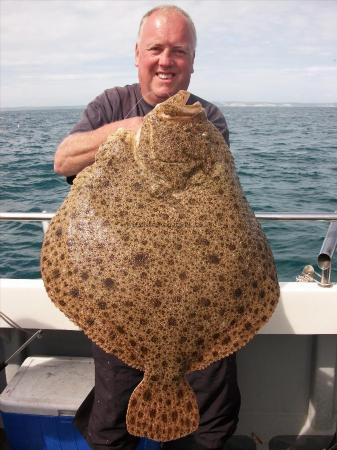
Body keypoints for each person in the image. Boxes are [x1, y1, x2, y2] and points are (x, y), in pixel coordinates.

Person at [54, 5, 240, 450]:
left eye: (179, 51)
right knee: (112, 415)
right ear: (138, 54)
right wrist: (129, 129)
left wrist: (159, 131)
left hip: (197, 293)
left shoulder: (206, 119)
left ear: (192, 61)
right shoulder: (110, 105)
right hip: (118, 288)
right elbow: (64, 160)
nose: (166, 60)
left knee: (213, 415)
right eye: (156, 48)